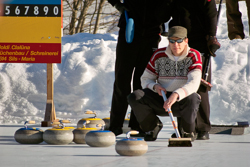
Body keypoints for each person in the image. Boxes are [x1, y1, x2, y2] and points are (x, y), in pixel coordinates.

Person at [107, 0, 172, 136]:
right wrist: (117, 4)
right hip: (129, 32)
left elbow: (169, 10)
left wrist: (165, 11)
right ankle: (115, 125)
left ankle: (137, 125)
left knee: (142, 82)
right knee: (122, 81)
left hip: (152, 35)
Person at [127, 26, 202, 141]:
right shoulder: (159, 54)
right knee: (135, 96)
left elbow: (194, 82)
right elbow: (145, 79)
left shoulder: (193, 55)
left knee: (193, 98)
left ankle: (187, 131)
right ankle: (152, 127)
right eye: (172, 41)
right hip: (162, 98)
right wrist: (155, 86)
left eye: (179, 40)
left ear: (186, 40)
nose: (175, 44)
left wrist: (176, 94)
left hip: (182, 100)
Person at [166, 0, 221, 140]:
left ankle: (202, 128)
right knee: (180, 84)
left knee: (200, 85)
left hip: (199, 43)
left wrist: (211, 36)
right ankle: (185, 128)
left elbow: (211, 14)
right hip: (180, 43)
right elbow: (167, 13)